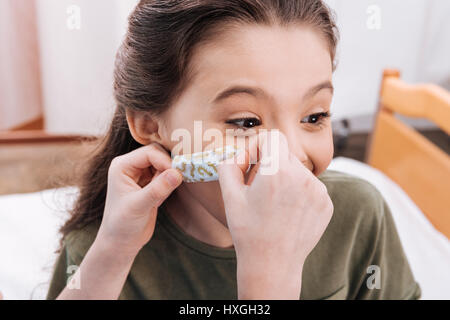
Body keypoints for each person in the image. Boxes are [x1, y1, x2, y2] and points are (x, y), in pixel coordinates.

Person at [46, 0, 421, 300]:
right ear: (150, 125)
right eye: (246, 122)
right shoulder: (103, 251)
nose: (288, 155)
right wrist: (111, 254)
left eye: (314, 116)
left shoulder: (360, 217)